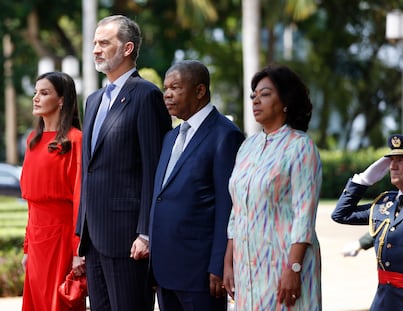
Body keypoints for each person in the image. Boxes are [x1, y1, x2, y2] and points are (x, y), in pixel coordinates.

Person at [75, 15, 172, 311]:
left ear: (127, 48)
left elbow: (155, 168)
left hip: (129, 238)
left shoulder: (146, 96)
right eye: (94, 43)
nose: (96, 49)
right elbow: (89, 169)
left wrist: (146, 232)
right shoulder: (93, 100)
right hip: (93, 238)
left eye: (104, 43)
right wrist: (81, 234)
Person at [223, 64, 323, 310]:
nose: (256, 100)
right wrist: (228, 261)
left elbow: (304, 215)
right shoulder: (248, 146)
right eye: (253, 95)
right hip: (246, 264)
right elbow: (237, 210)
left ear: (286, 101)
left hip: (283, 264)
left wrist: (293, 268)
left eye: (265, 94)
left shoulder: (300, 146)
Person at [149, 60, 245, 311]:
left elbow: (228, 207)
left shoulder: (225, 134)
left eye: (176, 88)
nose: (167, 94)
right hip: (165, 272)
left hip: (201, 274)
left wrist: (218, 265)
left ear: (200, 91)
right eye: (165, 88)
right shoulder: (170, 137)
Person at [20, 71, 84, 311]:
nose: (36, 97)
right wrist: (27, 247)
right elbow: (31, 203)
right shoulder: (32, 141)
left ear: (61, 100)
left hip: (61, 238)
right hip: (37, 240)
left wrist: (78, 250)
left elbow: (79, 198)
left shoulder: (75, 140)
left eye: (44, 93)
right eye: (36, 92)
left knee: (58, 303)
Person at [332, 134, 403, 310]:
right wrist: (363, 180)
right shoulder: (385, 203)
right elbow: (341, 214)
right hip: (384, 299)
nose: (393, 166)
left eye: (400, 160)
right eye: (391, 160)